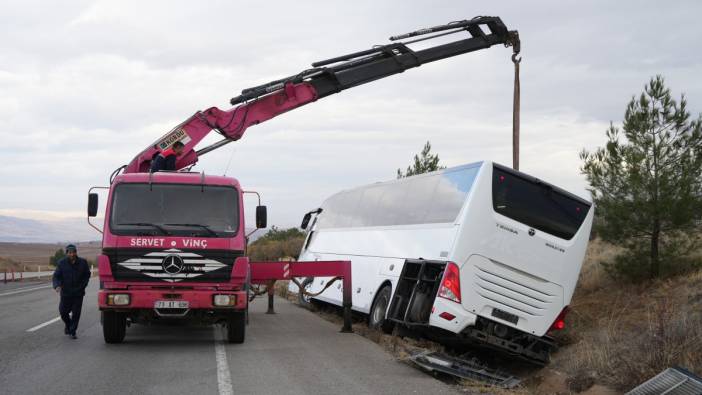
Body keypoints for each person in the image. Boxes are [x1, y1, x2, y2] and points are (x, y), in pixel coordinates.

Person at [52, 244, 90, 339]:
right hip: (66, 293)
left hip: (78, 293)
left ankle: (73, 331)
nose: (72, 254)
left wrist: (83, 285)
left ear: (76, 252)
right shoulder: (62, 263)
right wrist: (57, 286)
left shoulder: (83, 263)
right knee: (63, 312)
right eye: (70, 252)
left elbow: (87, 275)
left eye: (73, 252)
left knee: (76, 313)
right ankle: (68, 325)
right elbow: (56, 276)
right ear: (67, 253)